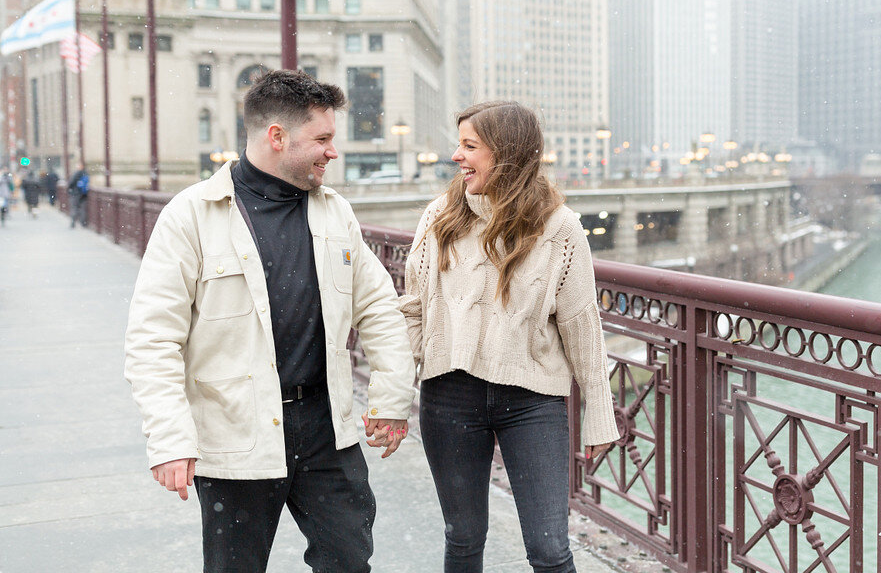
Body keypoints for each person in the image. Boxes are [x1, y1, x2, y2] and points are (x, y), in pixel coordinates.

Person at [124, 69, 415, 572]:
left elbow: (380, 310)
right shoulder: (191, 216)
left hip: (328, 428)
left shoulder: (335, 212)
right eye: (322, 139)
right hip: (236, 430)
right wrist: (170, 441)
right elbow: (153, 340)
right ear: (276, 137)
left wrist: (391, 400)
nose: (332, 151)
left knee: (348, 561)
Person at [399, 101, 619, 572]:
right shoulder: (439, 217)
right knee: (463, 539)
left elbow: (582, 326)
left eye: (470, 146)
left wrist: (599, 412)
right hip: (449, 395)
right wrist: (395, 400)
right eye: (458, 144)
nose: (456, 156)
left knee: (549, 550)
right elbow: (413, 313)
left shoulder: (560, 227)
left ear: (508, 154)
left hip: (532, 401)